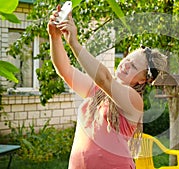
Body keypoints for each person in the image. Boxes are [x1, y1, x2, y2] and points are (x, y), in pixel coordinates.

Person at [47, 5, 167, 169]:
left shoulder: (134, 100)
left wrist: (74, 42)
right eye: (127, 60)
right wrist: (55, 38)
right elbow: (65, 70)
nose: (125, 65)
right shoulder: (97, 90)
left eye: (133, 67)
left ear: (141, 80)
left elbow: (105, 79)